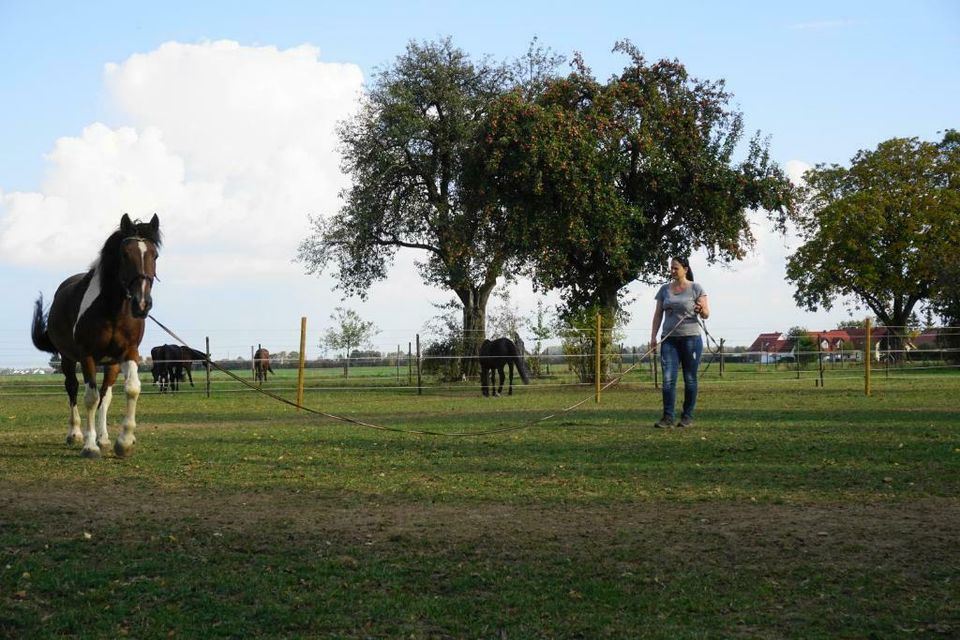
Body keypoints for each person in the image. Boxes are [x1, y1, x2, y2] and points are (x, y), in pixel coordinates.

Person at [650, 257, 710, 428]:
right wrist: (653, 336)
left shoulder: (696, 288)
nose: (673, 271)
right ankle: (668, 417)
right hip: (669, 340)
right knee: (668, 379)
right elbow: (657, 315)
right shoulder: (664, 290)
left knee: (690, 379)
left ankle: (687, 417)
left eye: (676, 268)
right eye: (671, 268)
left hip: (691, 338)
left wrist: (700, 309)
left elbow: (706, 313)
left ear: (685, 269)